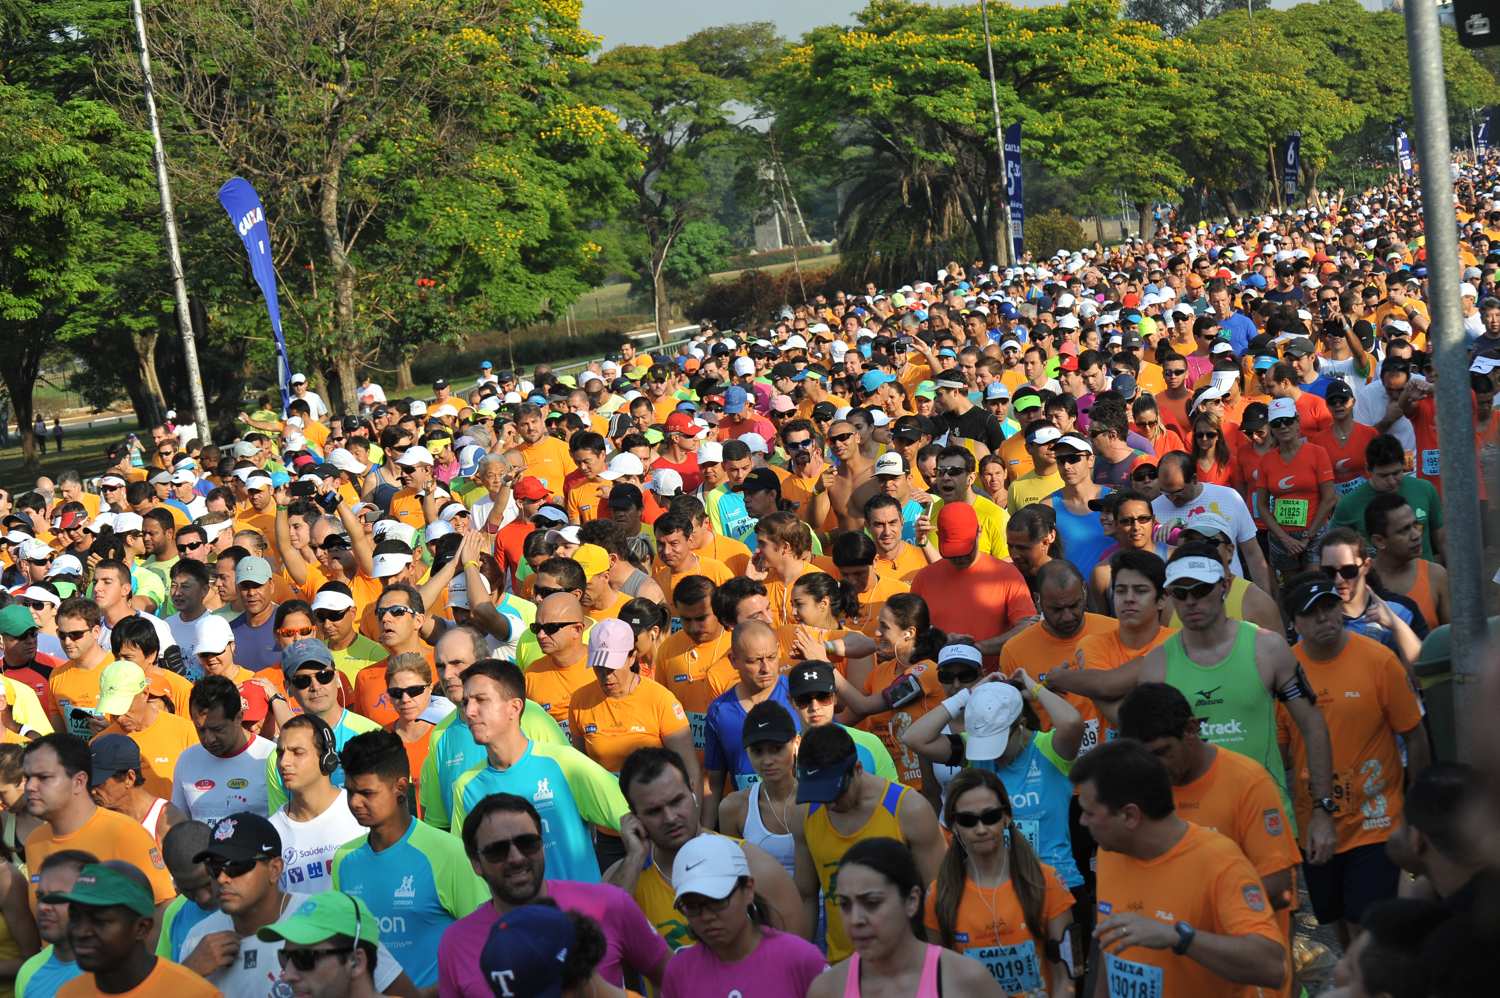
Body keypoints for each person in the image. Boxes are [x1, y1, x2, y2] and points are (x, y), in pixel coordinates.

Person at [1042, 547, 1339, 859]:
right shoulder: (1158, 663)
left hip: (1263, 824)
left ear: (1224, 586)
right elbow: (1125, 718)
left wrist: (1323, 809)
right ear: (1169, 597)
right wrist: (1060, 683)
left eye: (1201, 589)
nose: (1191, 601)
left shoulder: (1267, 648)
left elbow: (1313, 724)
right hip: (1190, 834)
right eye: (1181, 593)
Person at [1279, 572, 1429, 945]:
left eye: (1330, 607)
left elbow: (1415, 733)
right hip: (1314, 824)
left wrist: (1415, 809)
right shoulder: (1282, 673)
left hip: (1376, 820)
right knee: (1342, 929)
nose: (1325, 618)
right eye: (1313, 613)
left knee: (1369, 930)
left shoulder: (1378, 660)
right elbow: (1281, 751)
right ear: (1294, 623)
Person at [1072, 740, 1287, 994]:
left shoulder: (1219, 861)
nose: (1081, 821)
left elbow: (1273, 967)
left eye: (1089, 812)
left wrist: (1180, 937)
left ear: (1129, 816)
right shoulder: (1110, 852)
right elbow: (1113, 956)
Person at [436, 791, 669, 997]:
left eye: (527, 843)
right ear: (476, 862)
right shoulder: (456, 943)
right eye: (498, 850)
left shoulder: (609, 903)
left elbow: (674, 979)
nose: (516, 858)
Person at [179, 811, 413, 997]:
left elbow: (403, 994)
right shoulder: (196, 940)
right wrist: (188, 973)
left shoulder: (327, 917)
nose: (222, 878)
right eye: (214, 868)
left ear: (275, 869)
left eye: (236, 866)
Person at [331, 731, 488, 990]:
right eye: (350, 791)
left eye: (367, 793)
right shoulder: (344, 860)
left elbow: (483, 941)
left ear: (401, 788)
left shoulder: (449, 853)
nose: (355, 802)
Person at [606, 747, 807, 948]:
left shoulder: (755, 867)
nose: (670, 818)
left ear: (693, 791)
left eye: (677, 801)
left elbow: (797, 963)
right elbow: (601, 948)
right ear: (633, 816)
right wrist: (633, 858)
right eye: (654, 811)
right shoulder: (625, 877)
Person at [903, 675, 1086, 896]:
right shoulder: (973, 747)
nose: (993, 755)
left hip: (1057, 883)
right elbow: (914, 738)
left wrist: (1033, 686)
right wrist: (968, 694)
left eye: (998, 743)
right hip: (996, 888)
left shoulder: (1050, 748)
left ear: (1020, 725)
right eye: (985, 743)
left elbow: (1072, 722)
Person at [450, 659, 629, 883]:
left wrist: (616, 888)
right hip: (514, 919)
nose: (469, 711)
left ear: (514, 707)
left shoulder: (565, 764)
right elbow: (464, 873)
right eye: (466, 702)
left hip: (578, 917)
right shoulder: (466, 787)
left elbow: (635, 821)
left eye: (481, 700)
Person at [788, 723, 946, 964]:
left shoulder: (909, 810)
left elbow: (938, 897)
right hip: (842, 968)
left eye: (836, 793)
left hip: (903, 968)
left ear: (858, 769)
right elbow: (806, 897)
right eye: (820, 794)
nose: (829, 804)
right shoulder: (804, 814)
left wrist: (935, 970)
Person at [925, 767, 1075, 997]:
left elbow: (1067, 976)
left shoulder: (1047, 881)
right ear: (954, 825)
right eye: (968, 820)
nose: (981, 829)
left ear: (1006, 817)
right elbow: (940, 981)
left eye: (990, 816)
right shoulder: (939, 895)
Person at [807, 837, 1003, 998]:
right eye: (845, 904)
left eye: (872, 903)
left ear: (912, 901)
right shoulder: (827, 989)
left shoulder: (967, 981)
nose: (856, 919)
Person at [416, 629, 568, 833]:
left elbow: (570, 787)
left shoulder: (528, 714)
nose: (447, 675)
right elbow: (439, 824)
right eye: (441, 666)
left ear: (486, 663)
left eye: (457, 663)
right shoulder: (440, 734)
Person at [661, 832, 826, 998]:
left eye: (718, 901)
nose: (706, 916)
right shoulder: (679, 972)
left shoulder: (801, 959)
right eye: (692, 906)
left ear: (748, 889)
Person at [20, 733, 175, 907]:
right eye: (27, 778)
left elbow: (162, 908)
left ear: (79, 781)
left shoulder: (125, 833)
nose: (30, 787)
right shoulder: (34, 842)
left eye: (44, 777)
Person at [49, 860, 217, 998]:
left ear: (142, 928)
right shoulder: (68, 994)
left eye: (99, 920)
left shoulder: (195, 994)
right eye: (75, 917)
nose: (80, 932)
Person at [568, 618, 697, 789]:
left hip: (654, 804)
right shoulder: (580, 701)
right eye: (598, 667)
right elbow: (579, 768)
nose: (606, 675)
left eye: (612, 667)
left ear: (632, 657)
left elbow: (688, 768)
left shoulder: (661, 700)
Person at [910, 504, 1036, 665]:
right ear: (938, 536)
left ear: (979, 532)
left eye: (965, 550)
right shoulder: (924, 578)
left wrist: (976, 648)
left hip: (990, 683)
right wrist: (940, 645)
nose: (960, 558)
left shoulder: (1007, 575)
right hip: (937, 681)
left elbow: (1027, 627)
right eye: (953, 552)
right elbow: (909, 633)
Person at [702, 620, 799, 828]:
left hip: (799, 815)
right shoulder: (720, 711)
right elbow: (714, 782)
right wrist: (706, 834)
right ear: (733, 660)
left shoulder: (800, 697)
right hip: (748, 823)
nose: (765, 668)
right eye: (755, 661)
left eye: (771, 657)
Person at [266, 640, 382, 812]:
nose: (315, 686)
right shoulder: (280, 758)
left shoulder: (372, 736)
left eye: (323, 675)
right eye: (302, 680)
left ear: (336, 678)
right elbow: (282, 825)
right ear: (287, 687)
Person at [269, 714, 364, 893]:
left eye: (297, 752)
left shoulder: (361, 812)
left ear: (327, 759)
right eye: (281, 753)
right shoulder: (270, 832)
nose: (284, 762)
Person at [1385, 762, 1495, 910]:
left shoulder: (1456, 928)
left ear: (1416, 839)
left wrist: (1415, 870)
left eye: (1401, 823)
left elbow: (1406, 925)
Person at [91, 659, 198, 801]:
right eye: (113, 710)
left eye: (125, 708)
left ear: (145, 693)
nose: (120, 718)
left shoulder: (186, 732)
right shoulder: (100, 743)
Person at [1256, 396, 1336, 582]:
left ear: (1297, 421)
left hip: (1314, 532)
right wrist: (1284, 538)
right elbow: (1261, 505)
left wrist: (1308, 536)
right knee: (1292, 590)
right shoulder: (1267, 461)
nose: (1283, 427)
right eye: (1277, 423)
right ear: (1271, 428)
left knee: (1315, 584)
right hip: (1281, 536)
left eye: (1288, 421)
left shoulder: (1317, 453)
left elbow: (1329, 498)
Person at [175, 675, 276, 821]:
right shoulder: (186, 760)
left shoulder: (271, 757)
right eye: (201, 729)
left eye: (218, 729)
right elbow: (180, 825)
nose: (209, 739)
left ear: (239, 717)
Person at [87, 733, 186, 850]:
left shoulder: (168, 822)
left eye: (99, 783)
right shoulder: (93, 817)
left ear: (130, 778)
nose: (92, 791)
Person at [1366, 492, 1450, 627]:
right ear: (1379, 540)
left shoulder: (1436, 575)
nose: (1416, 535)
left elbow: (1454, 639)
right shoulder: (1361, 581)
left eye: (1415, 525)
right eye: (1404, 530)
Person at [16, 849, 90, 997]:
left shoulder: (123, 968)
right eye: (40, 897)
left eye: (58, 897)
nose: (43, 907)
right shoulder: (29, 972)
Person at [155, 820, 219, 963]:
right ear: (175, 882)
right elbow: (166, 977)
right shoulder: (174, 913)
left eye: (207, 884)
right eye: (188, 890)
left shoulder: (246, 901)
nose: (203, 898)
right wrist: (192, 968)